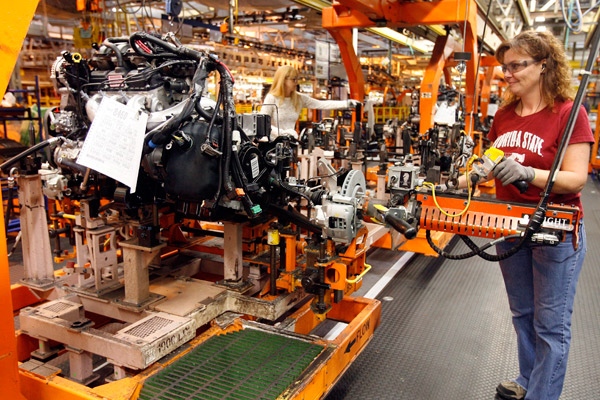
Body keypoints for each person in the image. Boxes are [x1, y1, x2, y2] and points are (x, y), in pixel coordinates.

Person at [462, 30, 594, 400]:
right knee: (522, 313)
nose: (508, 73)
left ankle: (541, 394)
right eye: (505, 67)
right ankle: (526, 379)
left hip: (555, 232)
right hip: (509, 226)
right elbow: (492, 154)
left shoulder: (569, 113)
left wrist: (527, 174)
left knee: (551, 325)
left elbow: (576, 177)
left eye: (517, 65)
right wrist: (478, 169)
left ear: (543, 65)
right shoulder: (504, 115)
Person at [260, 65, 360, 141]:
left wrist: (347, 103)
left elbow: (321, 104)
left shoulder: (298, 98)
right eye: (293, 80)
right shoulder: (271, 98)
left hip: (289, 143)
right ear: (283, 80)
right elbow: (263, 124)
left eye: (296, 79)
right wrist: (283, 133)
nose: (296, 83)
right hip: (271, 144)